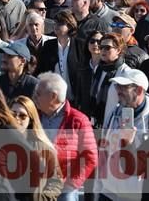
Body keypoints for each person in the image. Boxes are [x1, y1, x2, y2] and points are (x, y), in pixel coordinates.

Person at [33, 73, 97, 201]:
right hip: (36, 186)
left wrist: (71, 184)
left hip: (64, 191)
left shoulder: (78, 120)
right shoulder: (34, 117)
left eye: (38, 94)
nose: (34, 97)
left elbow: (90, 157)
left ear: (53, 96)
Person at [95, 68, 149, 201]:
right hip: (108, 192)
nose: (118, 91)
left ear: (139, 90)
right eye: (117, 86)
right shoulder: (114, 112)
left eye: (123, 87)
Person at [9, 96, 63, 201]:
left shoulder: (44, 147)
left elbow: (55, 182)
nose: (17, 119)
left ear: (30, 120)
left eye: (23, 116)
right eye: (13, 114)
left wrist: (41, 198)